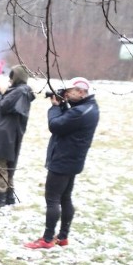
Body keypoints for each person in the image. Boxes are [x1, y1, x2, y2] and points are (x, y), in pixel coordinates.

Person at [24, 77, 99, 249]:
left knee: (52, 199)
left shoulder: (81, 111)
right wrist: (64, 105)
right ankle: (63, 237)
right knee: (65, 197)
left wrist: (55, 107)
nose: (67, 95)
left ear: (81, 92)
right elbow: (69, 122)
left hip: (63, 160)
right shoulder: (88, 107)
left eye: (70, 92)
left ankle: (47, 238)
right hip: (73, 159)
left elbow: (56, 125)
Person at [0, 64, 35, 208]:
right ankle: (9, 197)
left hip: (5, 134)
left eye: (12, 76)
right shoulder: (21, 91)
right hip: (8, 133)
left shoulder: (19, 92)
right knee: (6, 164)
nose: (9, 80)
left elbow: (3, 105)